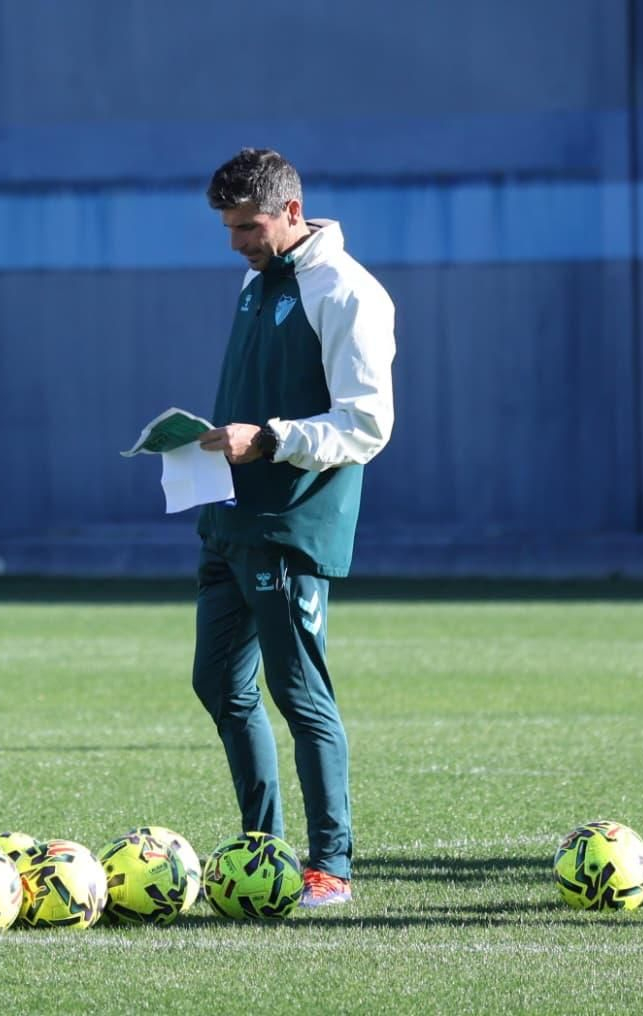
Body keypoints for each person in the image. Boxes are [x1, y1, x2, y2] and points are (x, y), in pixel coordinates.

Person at [192, 148, 396, 908]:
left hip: (291, 521)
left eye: (247, 225)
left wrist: (272, 439)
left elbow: (368, 424)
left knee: (299, 692)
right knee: (216, 682)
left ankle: (330, 867)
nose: (236, 241)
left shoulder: (347, 291)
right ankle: (261, 847)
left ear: (290, 210)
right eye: (228, 226)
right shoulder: (257, 280)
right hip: (229, 517)